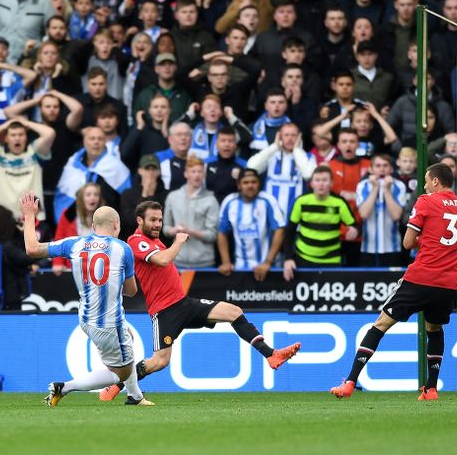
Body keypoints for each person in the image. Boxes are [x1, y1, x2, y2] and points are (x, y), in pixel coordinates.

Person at [97, 200, 301, 402]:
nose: (158, 224)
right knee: (159, 362)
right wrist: (178, 241)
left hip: (183, 303)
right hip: (165, 311)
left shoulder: (155, 241)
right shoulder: (136, 241)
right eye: (153, 220)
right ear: (139, 220)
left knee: (234, 311)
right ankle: (116, 385)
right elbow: (163, 260)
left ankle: (271, 355)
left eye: (160, 220)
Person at [331, 163, 457, 401]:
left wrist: (428, 238)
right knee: (435, 329)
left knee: (380, 324)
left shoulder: (426, 201)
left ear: (436, 182)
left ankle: (349, 382)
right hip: (450, 283)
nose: (426, 185)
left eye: (428, 181)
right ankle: (431, 389)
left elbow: (407, 243)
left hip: (421, 277)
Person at [19, 195, 151, 406]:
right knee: (121, 373)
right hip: (108, 322)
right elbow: (131, 291)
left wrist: (28, 215)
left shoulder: (74, 243)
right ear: (116, 225)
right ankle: (64, 387)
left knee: (129, 338)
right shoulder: (122, 248)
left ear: (92, 226)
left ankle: (135, 396)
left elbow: (32, 249)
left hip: (86, 317)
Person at [283, 165, 359, 278]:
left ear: (331, 183)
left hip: (331, 260)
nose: (321, 184)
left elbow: (354, 226)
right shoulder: (301, 201)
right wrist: (288, 258)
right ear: (311, 183)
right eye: (317, 180)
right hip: (303, 258)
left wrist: (354, 230)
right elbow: (289, 231)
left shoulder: (339, 203)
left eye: (324, 180)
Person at [0, 117, 56, 219]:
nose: (17, 138)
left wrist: (26, 123)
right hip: (4, 219)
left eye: (21, 134)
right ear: (6, 138)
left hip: (33, 218)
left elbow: (50, 133)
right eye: (13, 135)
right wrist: (4, 126)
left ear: (26, 137)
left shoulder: (35, 152)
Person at [217, 169, 286, 281]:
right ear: (239, 185)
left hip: (268, 268)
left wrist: (268, 262)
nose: (250, 185)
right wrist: (226, 262)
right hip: (240, 267)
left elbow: (280, 230)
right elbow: (221, 232)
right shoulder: (230, 201)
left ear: (259, 184)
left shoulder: (268, 200)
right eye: (245, 182)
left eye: (253, 182)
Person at [162, 156, 219, 268]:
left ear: (204, 175)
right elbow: (165, 228)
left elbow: (212, 235)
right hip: (177, 260)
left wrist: (189, 231)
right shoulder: (173, 197)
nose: (197, 175)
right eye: (193, 171)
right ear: (186, 174)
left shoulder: (211, 200)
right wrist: (173, 230)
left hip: (204, 262)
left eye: (200, 171)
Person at [357, 154, 409, 267]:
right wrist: (375, 188)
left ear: (391, 169)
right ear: (371, 169)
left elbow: (396, 215)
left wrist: (386, 190)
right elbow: (364, 214)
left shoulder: (399, 186)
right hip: (368, 247)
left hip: (393, 246)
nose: (382, 169)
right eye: (378, 165)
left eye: (385, 165)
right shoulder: (363, 186)